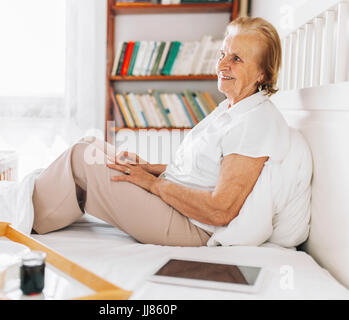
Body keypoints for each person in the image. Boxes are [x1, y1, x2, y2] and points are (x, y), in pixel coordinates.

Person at [32, 17, 310, 247]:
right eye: (223, 54)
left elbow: (220, 209)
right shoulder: (233, 108)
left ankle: (24, 216)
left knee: (84, 157)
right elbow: (202, 173)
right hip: (177, 204)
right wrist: (150, 168)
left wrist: (153, 184)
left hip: (192, 227)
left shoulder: (255, 121)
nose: (223, 65)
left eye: (236, 59)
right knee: (92, 145)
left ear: (262, 73)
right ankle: (34, 207)